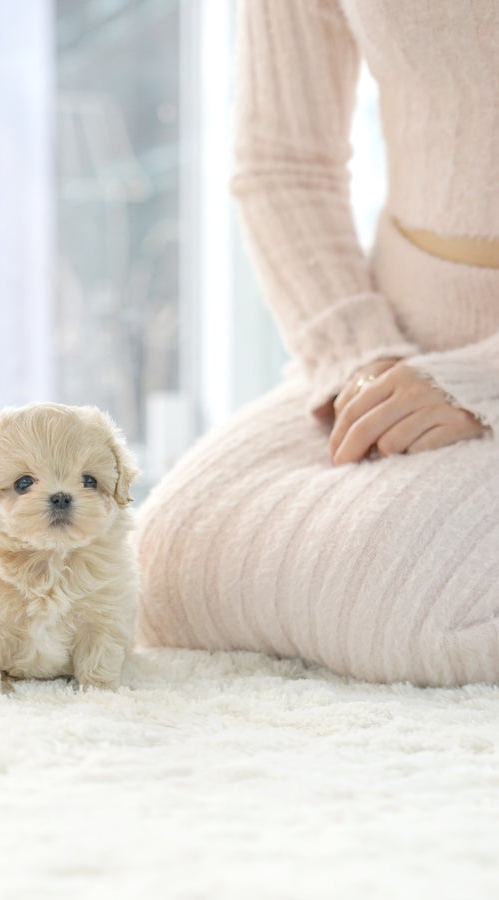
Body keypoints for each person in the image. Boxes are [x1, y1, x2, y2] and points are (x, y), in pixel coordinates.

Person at [134, 0, 499, 687]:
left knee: (395, 599)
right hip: (402, 347)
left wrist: (482, 379)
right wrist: (363, 358)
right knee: (170, 555)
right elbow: (283, 165)